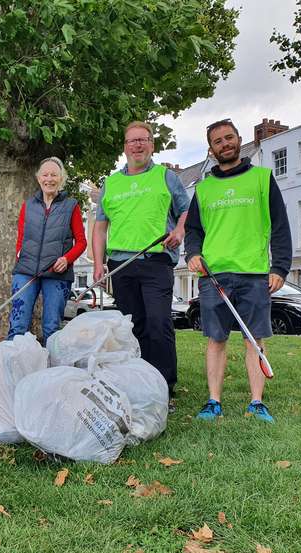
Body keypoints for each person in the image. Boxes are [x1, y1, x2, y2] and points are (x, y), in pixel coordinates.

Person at [185, 119, 292, 423]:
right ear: (211, 148)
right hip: (214, 276)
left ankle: (257, 403)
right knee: (216, 339)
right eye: (217, 141)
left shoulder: (262, 178)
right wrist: (193, 254)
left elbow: (281, 227)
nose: (224, 144)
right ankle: (213, 401)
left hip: (254, 273)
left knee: (254, 339)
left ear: (239, 139)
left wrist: (280, 267)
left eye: (229, 138)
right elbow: (193, 230)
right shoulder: (203, 189)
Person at [92, 121, 189, 411]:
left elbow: (186, 210)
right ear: (124, 147)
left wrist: (181, 230)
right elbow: (99, 228)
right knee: (132, 327)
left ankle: (163, 388)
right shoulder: (111, 183)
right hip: (121, 264)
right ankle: (136, 384)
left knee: (159, 323)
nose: (137, 145)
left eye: (143, 140)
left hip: (156, 259)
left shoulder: (166, 177)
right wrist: (98, 263)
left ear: (152, 145)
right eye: (132, 141)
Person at [7, 157, 87, 343]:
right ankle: (13, 369)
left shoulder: (71, 206)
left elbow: (81, 242)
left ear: (61, 179)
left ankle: (52, 370)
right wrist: (20, 256)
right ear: (38, 178)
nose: (49, 179)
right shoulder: (28, 206)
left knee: (51, 328)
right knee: (17, 326)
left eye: (54, 175)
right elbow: (21, 239)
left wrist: (67, 259)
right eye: (45, 174)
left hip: (57, 273)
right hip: (26, 272)